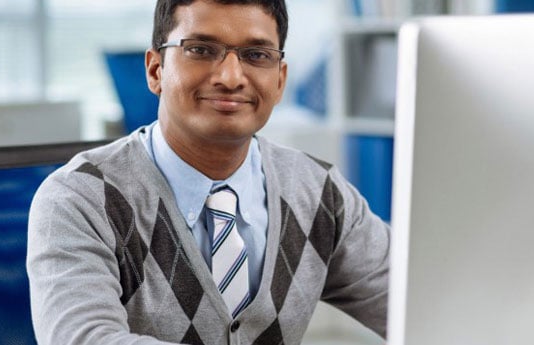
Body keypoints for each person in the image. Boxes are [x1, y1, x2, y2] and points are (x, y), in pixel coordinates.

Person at [26, 0, 390, 344]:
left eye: (257, 55)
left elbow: (421, 300)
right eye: (200, 49)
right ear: (156, 70)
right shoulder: (79, 198)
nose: (231, 77)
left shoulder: (319, 192)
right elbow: (85, 339)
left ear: (279, 80)